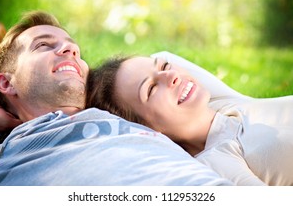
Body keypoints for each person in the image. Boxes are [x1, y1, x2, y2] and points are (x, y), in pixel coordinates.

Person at [0, 10, 232, 186]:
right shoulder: (8, 154)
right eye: (42, 45)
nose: (71, 50)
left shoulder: (126, 111)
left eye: (73, 47)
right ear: (7, 83)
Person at [86, 55, 293, 186]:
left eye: (165, 67)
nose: (171, 76)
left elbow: (163, 55)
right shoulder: (217, 161)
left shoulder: (223, 104)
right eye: (151, 88)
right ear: (145, 129)